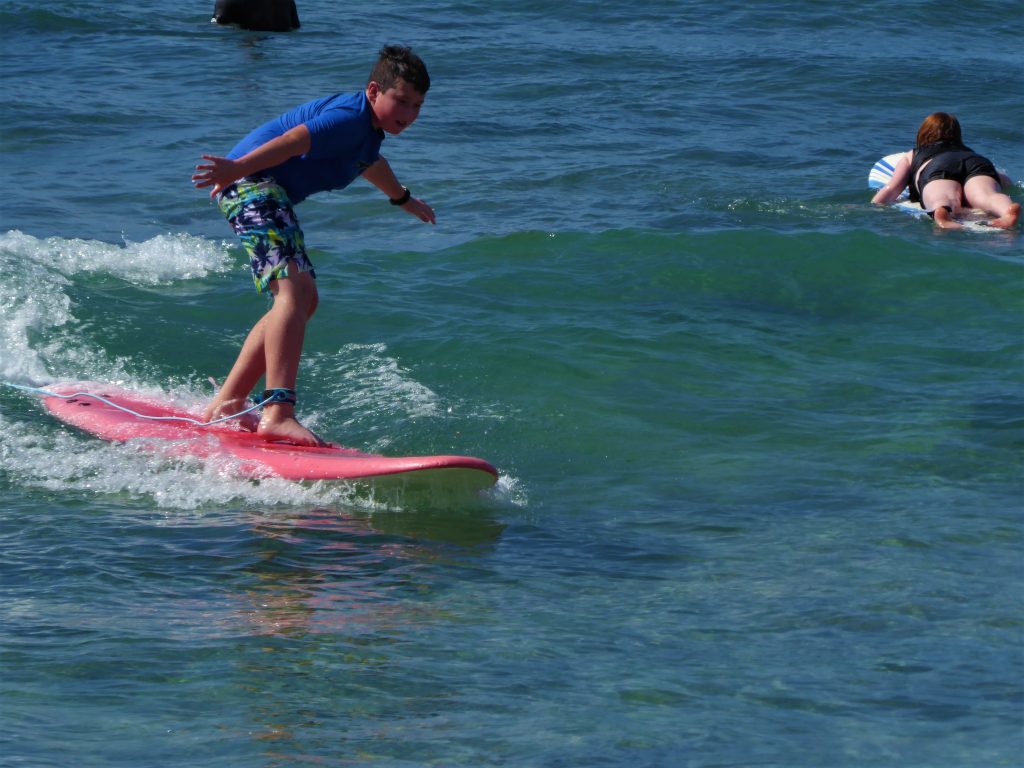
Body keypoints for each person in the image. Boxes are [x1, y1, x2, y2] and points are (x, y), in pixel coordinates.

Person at [192, 45, 435, 446]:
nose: (408, 115)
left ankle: (230, 401)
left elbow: (371, 164)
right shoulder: (348, 119)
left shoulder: (367, 134)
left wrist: (403, 199)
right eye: (402, 101)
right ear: (375, 90)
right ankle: (277, 412)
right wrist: (236, 168)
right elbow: (292, 141)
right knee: (291, 294)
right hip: (251, 186)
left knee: (304, 298)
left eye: (417, 106)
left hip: (264, 192)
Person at [870, 112, 1019, 230]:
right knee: (987, 196)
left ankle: (942, 211)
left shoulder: (912, 155)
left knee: (943, 196)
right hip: (977, 163)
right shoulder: (968, 151)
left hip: (937, 166)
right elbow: (1002, 179)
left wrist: (873, 206)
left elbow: (892, 188)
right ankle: (1006, 210)